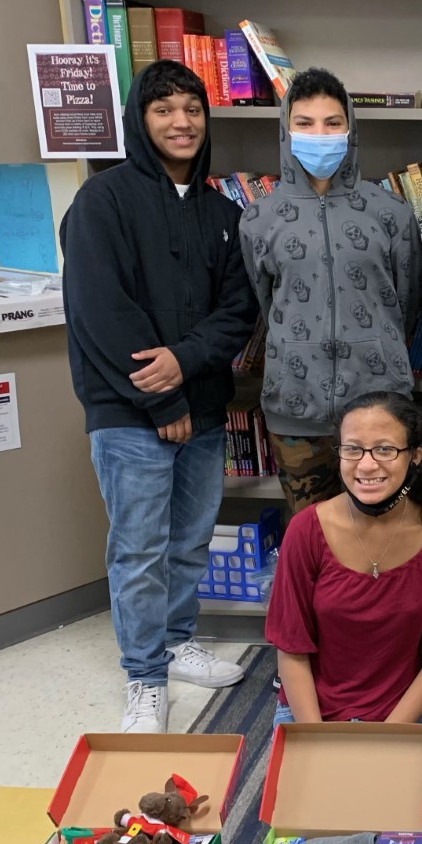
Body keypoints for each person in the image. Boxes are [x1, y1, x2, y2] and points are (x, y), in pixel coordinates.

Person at [60, 60, 259, 733]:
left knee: (190, 540)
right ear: (140, 122)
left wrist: (186, 364)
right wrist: (162, 399)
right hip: (128, 414)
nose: (182, 122)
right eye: (164, 109)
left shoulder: (222, 212)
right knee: (140, 546)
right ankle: (144, 674)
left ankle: (177, 640)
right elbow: (101, 311)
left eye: (193, 109)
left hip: (201, 408)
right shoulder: (103, 201)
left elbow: (238, 311)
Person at [263, 391, 422, 844]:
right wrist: (322, 747)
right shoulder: (306, 530)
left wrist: (384, 744)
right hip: (311, 715)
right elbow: (292, 652)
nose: (366, 464)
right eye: (352, 448)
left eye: (385, 449)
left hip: (400, 716)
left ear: (414, 456)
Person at [239, 66, 422, 512]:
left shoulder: (391, 212)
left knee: (384, 538)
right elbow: (265, 302)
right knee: (312, 539)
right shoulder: (259, 218)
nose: (319, 134)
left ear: (350, 129)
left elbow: (408, 302)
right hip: (295, 412)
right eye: (305, 123)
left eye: (332, 123)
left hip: (378, 408)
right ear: (287, 131)